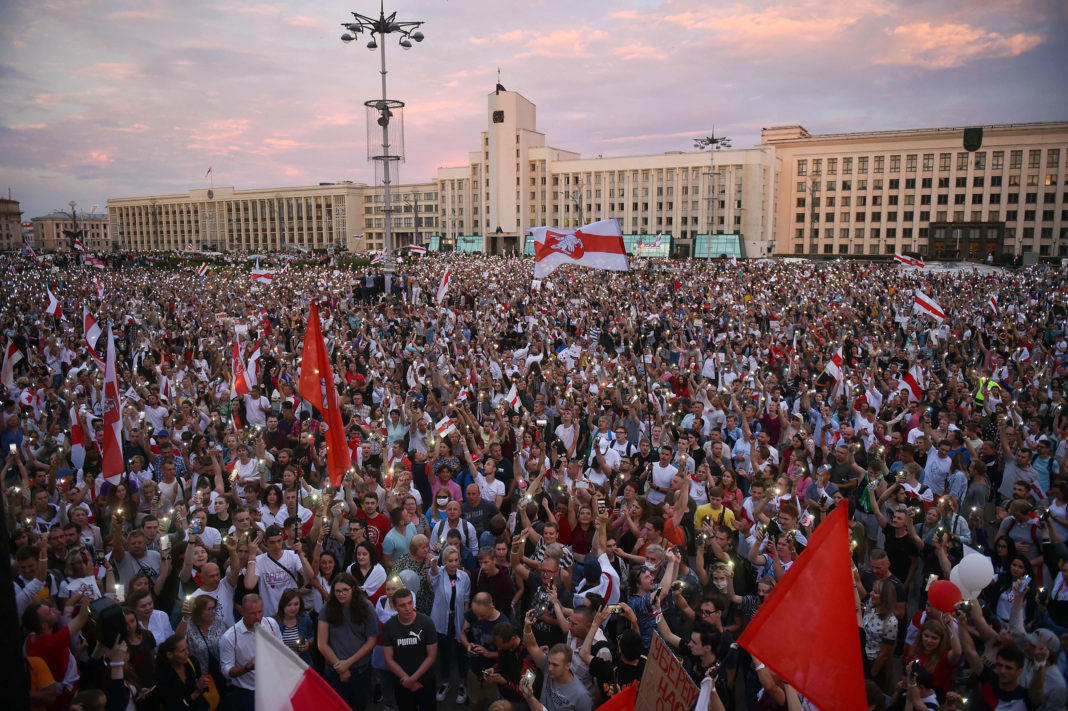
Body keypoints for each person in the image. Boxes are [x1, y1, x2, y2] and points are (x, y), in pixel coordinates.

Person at [316, 572, 380, 709]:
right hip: (334, 671)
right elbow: (322, 643)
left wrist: (348, 664)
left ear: (353, 589)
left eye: (345, 590)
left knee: (359, 706)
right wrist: (340, 667)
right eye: (337, 591)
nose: (341, 594)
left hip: (360, 670)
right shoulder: (327, 609)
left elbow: (372, 641)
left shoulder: (367, 607)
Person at [21, 598, 90, 710]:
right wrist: (88, 594)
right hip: (67, 696)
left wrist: (76, 654)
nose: (54, 609)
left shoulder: (29, 639)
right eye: (50, 612)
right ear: (44, 626)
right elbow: (82, 617)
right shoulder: (51, 643)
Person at [218, 594, 282, 711]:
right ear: (242, 612)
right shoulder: (230, 638)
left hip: (272, 688)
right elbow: (226, 671)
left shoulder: (272, 624)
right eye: (253, 613)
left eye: (260, 611)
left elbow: (280, 650)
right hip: (247, 694)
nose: (258, 617)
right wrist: (247, 667)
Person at [381, 587, 438, 711]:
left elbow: (432, 655)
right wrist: (406, 679)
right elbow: (388, 659)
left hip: (425, 681)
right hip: (402, 683)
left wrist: (412, 680)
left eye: (409, 603)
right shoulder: (389, 627)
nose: (407, 608)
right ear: (395, 607)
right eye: (402, 605)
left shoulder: (426, 622)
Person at [429, 543, 472, 704]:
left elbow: (466, 600)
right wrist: (434, 561)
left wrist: (465, 623)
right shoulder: (439, 573)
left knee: (462, 654)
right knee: (444, 653)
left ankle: (462, 684)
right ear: (444, 561)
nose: (454, 564)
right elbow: (432, 574)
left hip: (459, 619)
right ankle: (445, 683)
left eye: (456, 560)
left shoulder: (464, 577)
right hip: (442, 620)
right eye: (450, 560)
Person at [461, 592, 506, 711]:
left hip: (493, 676)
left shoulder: (503, 625)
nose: (478, 618)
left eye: (482, 615)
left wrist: (488, 654)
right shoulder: (473, 612)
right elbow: (462, 634)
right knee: (474, 703)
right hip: (474, 671)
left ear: (491, 607)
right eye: (476, 614)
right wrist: (468, 645)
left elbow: (510, 653)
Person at [155, 635, 212, 711]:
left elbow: (202, 689)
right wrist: (195, 693)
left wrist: (202, 684)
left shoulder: (193, 662)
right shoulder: (164, 677)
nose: (187, 653)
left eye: (187, 648)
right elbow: (173, 706)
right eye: (182, 651)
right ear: (170, 655)